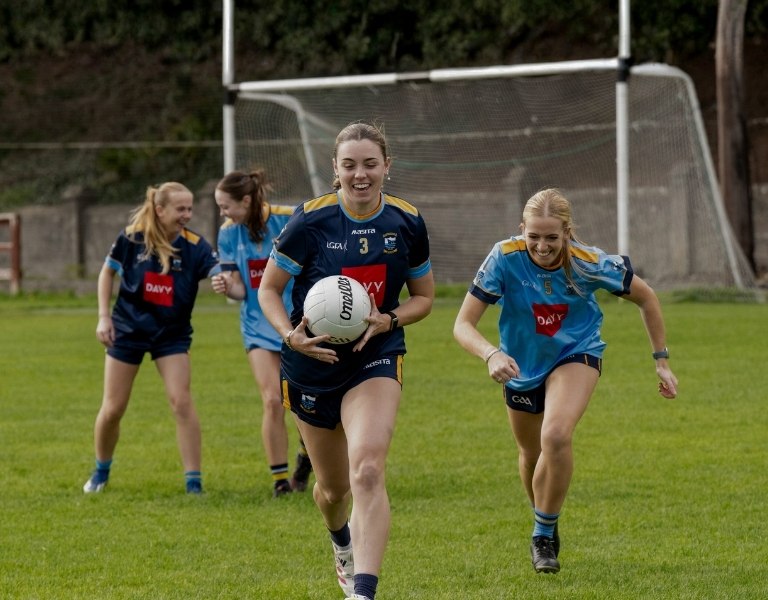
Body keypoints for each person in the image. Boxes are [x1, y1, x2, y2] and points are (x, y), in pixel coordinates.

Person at [453, 188, 678, 574]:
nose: (542, 246)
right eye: (533, 236)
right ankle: (546, 519)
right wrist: (490, 353)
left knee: (555, 435)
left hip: (577, 352)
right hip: (520, 364)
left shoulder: (589, 263)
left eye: (552, 238)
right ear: (521, 229)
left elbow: (647, 297)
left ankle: (541, 535)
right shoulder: (504, 258)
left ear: (567, 232)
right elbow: (463, 324)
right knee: (531, 455)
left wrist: (661, 361)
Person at [257, 121, 434, 600]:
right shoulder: (309, 221)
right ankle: (341, 541)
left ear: (387, 167)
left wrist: (387, 321)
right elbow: (268, 289)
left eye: (370, 164)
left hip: (375, 356)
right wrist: (288, 337)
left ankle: (363, 592)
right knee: (333, 492)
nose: (361, 174)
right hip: (311, 365)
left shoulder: (407, 221)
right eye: (350, 165)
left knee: (370, 470)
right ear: (335, 169)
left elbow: (423, 299)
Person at [83, 181, 220, 495]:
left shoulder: (195, 245)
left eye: (189, 208)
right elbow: (107, 273)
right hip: (127, 330)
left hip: (171, 335)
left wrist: (226, 281)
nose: (187, 214)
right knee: (113, 408)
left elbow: (219, 272)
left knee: (181, 402)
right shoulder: (132, 238)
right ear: (160, 210)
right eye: (180, 209)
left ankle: (194, 483)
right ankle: (101, 470)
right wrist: (103, 316)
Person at [211, 169, 313, 498]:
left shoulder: (290, 219)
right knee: (272, 400)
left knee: (302, 403)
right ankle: (280, 482)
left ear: (246, 200)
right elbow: (242, 291)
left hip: (298, 322)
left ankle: (306, 458)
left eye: (226, 206)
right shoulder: (228, 234)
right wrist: (228, 285)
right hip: (257, 325)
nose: (222, 214)